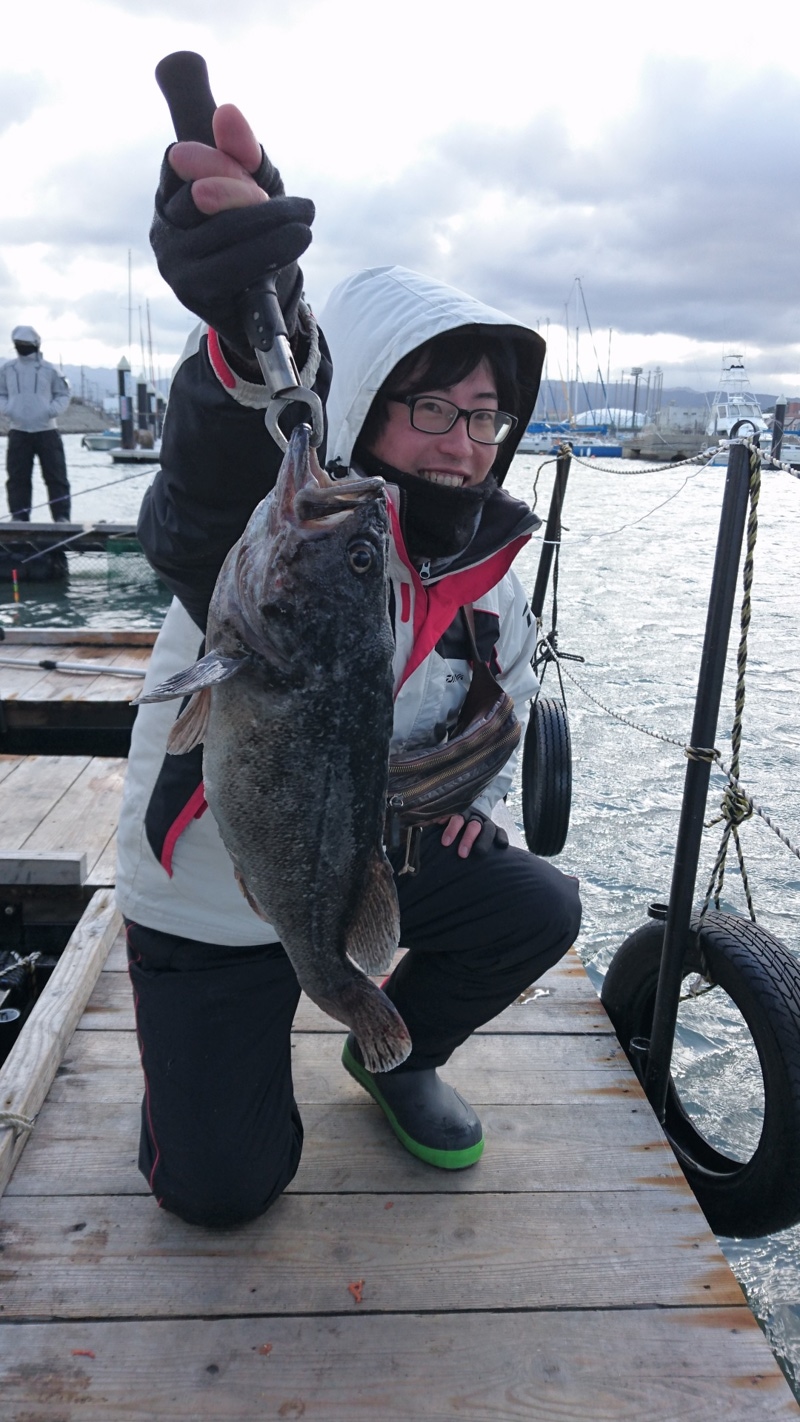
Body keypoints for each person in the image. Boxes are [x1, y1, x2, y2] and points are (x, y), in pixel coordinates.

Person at [115, 102, 582, 1228]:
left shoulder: (488, 573)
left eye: (488, 416)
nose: (466, 440)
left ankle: (388, 1055)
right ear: (359, 401)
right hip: (216, 893)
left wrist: (460, 803)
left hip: (360, 861)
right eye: (432, 404)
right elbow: (204, 502)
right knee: (220, 1192)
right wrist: (245, 325)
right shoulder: (269, 536)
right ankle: (196, 1087)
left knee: (536, 905)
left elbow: (503, 696)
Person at [0, 325, 72, 521]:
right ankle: (19, 517)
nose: (23, 347)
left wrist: (51, 411)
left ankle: (61, 517)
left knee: (56, 477)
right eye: (19, 344)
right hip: (18, 430)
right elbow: (1, 393)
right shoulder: (7, 369)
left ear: (36, 344)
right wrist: (8, 409)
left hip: (47, 430)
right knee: (17, 478)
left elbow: (63, 393)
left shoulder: (50, 369)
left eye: (26, 344)